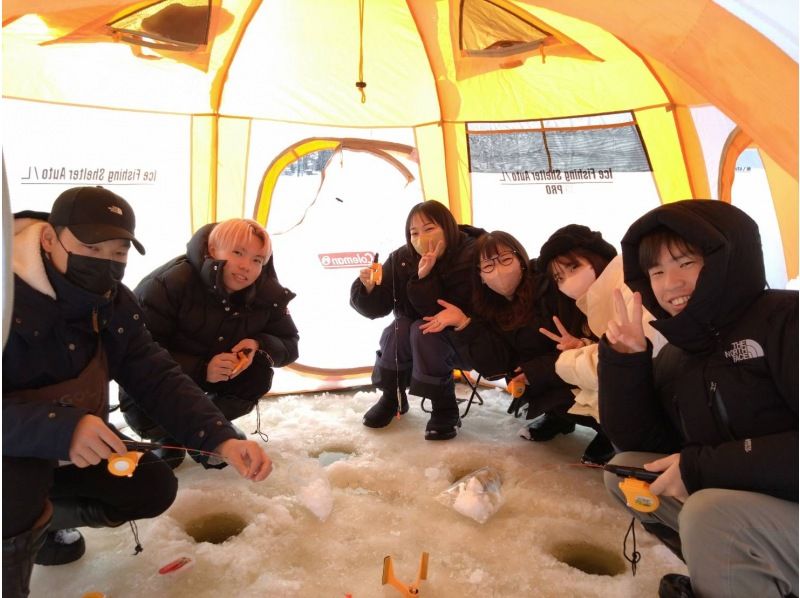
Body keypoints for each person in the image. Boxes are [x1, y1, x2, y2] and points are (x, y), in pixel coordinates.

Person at [3, 187, 273, 598]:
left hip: (72, 444)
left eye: (118, 252)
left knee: (150, 485)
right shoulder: (6, 297)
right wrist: (61, 428)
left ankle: (46, 521)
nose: (105, 262)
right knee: (17, 492)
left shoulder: (112, 302)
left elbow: (155, 374)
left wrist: (221, 438)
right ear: (49, 238)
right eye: (91, 247)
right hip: (10, 450)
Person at [598, 200, 798, 597]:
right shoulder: (682, 352)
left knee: (711, 517)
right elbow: (646, 444)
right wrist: (626, 362)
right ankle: (732, 579)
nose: (670, 283)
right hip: (756, 506)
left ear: (727, 259)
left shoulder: (786, 319)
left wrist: (704, 468)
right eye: (656, 271)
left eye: (686, 263)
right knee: (628, 473)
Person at [118, 218, 299, 466]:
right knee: (148, 415)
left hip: (217, 379)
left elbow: (290, 343)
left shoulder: (267, 293)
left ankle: (212, 432)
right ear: (213, 250)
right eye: (238, 253)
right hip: (158, 388)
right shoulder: (169, 284)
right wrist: (202, 369)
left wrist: (258, 344)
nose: (246, 266)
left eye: (257, 260)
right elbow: (135, 356)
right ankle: (169, 436)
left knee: (258, 371)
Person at [423, 230, 575, 444]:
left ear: (521, 260)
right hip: (537, 376)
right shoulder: (488, 306)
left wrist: (536, 370)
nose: (498, 271)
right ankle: (558, 417)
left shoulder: (549, 288)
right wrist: (463, 324)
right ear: (481, 276)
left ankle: (606, 433)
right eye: (488, 266)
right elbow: (494, 366)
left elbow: (580, 345)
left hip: (577, 367)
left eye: (505, 259)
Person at [350, 200, 484, 440]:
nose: (421, 237)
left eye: (429, 228)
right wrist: (368, 289)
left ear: (448, 227)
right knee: (399, 328)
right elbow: (376, 308)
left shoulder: (474, 254)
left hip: (466, 340)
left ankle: (444, 406)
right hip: (414, 342)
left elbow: (436, 312)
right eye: (414, 233)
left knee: (423, 330)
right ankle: (393, 397)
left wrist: (425, 277)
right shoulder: (403, 258)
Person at [535, 224, 664, 464]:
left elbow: (617, 364)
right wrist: (581, 346)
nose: (567, 282)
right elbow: (614, 347)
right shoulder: (600, 297)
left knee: (559, 389)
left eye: (573, 267)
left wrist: (566, 360)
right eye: (559, 278)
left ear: (597, 257)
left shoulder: (628, 289)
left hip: (657, 399)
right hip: (643, 390)